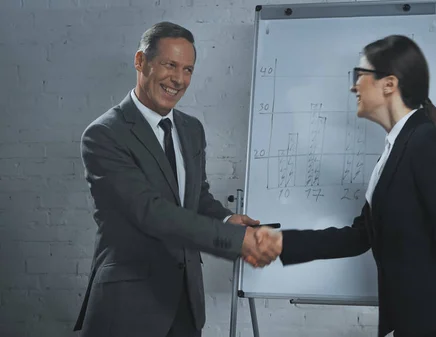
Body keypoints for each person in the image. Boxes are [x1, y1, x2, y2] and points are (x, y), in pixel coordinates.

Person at [266, 35, 436, 337]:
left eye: (360, 76)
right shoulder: (396, 148)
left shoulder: (428, 143)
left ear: (389, 84)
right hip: (412, 325)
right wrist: (281, 242)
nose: (353, 86)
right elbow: (360, 237)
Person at [73, 22, 282, 337]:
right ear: (141, 61)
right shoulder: (104, 135)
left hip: (185, 305)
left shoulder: (191, 129)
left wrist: (226, 218)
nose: (179, 79)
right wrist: (237, 241)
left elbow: (195, 197)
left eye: (188, 70)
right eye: (170, 65)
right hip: (129, 308)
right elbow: (151, 213)